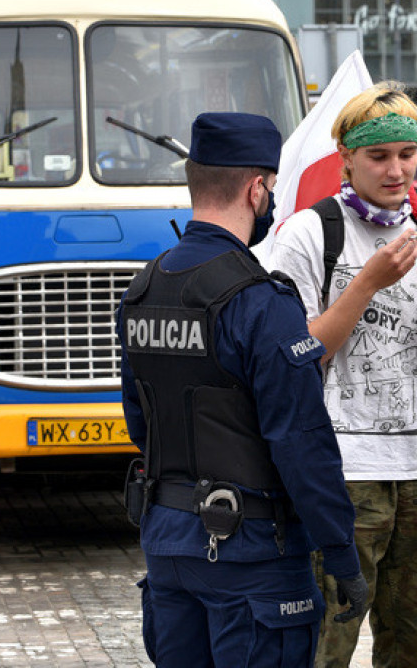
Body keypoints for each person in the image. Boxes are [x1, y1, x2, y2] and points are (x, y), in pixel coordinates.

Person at [117, 112, 368, 667]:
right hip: (254, 559)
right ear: (257, 189)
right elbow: (301, 442)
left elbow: (142, 425)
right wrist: (342, 554)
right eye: (272, 189)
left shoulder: (144, 288)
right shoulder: (261, 302)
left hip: (168, 548)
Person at [269, 82, 417, 668]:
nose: (396, 170)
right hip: (340, 473)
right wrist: (366, 284)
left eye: (406, 155)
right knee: (325, 643)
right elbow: (299, 355)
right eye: (379, 156)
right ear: (347, 158)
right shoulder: (310, 235)